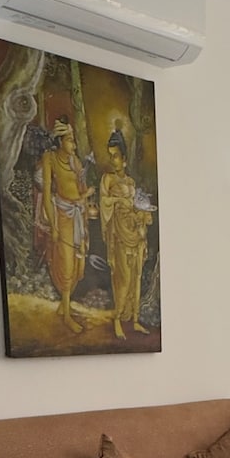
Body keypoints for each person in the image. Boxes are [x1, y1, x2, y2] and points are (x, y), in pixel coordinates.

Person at [34, 121, 93, 333]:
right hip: (62, 214)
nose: (73, 145)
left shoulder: (74, 161)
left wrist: (86, 196)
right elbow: (47, 193)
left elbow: (80, 189)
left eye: (74, 141)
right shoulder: (49, 158)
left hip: (78, 214)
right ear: (60, 141)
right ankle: (67, 316)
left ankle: (64, 305)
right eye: (69, 140)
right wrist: (54, 225)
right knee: (66, 263)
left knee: (78, 265)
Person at [98, 143, 154, 337]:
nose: (112, 160)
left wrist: (142, 215)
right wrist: (118, 201)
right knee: (124, 279)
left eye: (115, 156)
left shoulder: (130, 181)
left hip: (134, 231)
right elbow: (104, 201)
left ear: (124, 159)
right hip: (119, 234)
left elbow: (136, 204)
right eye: (110, 156)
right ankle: (117, 319)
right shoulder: (107, 179)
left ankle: (135, 320)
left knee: (136, 279)